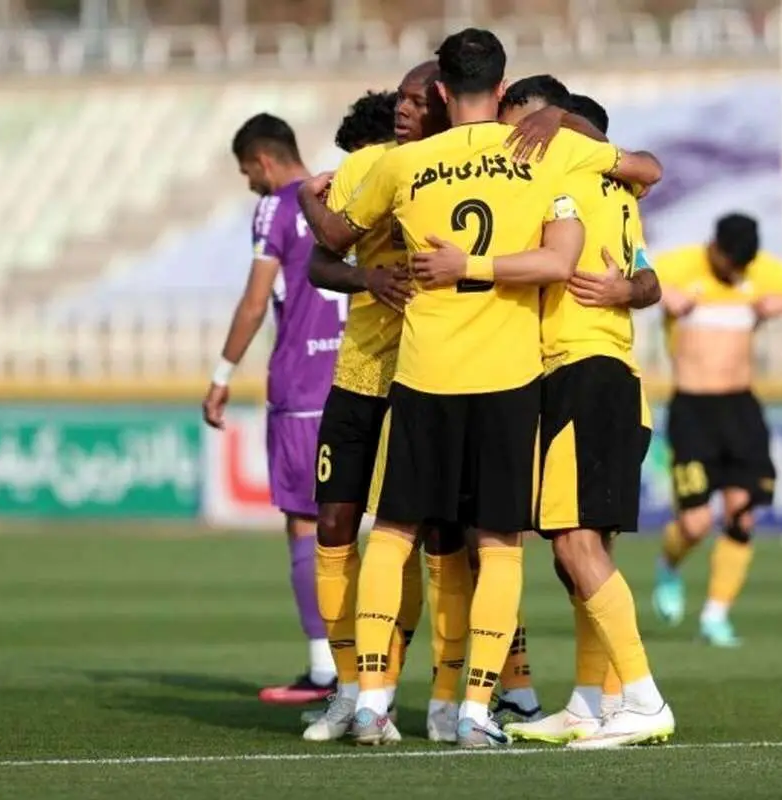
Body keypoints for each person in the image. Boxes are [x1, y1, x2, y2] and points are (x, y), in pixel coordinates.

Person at [298, 27, 662, 748]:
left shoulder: (402, 161)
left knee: (393, 532)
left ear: (440, 91)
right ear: (501, 89)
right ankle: (473, 710)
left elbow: (333, 237)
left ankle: (368, 701)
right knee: (499, 544)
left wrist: (308, 197)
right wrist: (483, 265)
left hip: (423, 369)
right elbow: (567, 253)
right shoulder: (540, 156)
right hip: (510, 374)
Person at [476, 87, 675, 748]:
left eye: (516, 120)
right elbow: (648, 274)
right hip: (610, 376)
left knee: (574, 545)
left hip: (581, 371)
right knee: (583, 555)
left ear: (541, 120)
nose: (508, 135)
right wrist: (628, 287)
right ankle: (591, 702)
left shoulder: (558, 155)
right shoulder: (615, 188)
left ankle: (643, 697)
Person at [300, 64, 446, 744]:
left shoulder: (460, 172)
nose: (403, 111)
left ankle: (400, 693)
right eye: (401, 101)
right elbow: (320, 262)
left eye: (416, 101)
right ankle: (348, 690)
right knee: (334, 525)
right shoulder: (365, 167)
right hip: (357, 374)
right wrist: (367, 277)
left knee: (414, 539)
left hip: (426, 379)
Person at [202, 113, 344, 705]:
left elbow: (255, 301)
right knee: (378, 527)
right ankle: (381, 668)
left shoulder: (276, 208)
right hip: (359, 378)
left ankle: (326, 668)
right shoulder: (344, 191)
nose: (250, 184)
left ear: (263, 161)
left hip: (302, 387)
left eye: (247, 172)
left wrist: (221, 375)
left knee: (306, 523)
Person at [651, 213, 782, 646]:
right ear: (715, 248)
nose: (738, 271)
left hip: (741, 407)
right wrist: (660, 293)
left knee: (742, 514)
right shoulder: (679, 266)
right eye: (733, 262)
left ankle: (715, 615)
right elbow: (628, 276)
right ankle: (668, 565)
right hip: (692, 408)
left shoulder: (761, 271)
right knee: (695, 524)